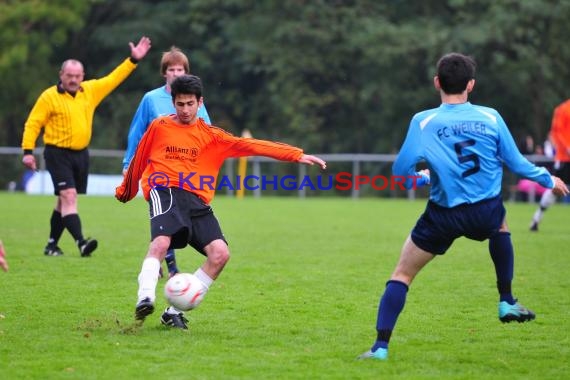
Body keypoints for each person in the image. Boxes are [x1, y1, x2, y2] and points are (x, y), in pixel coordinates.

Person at [358, 53, 569, 361]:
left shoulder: (424, 121)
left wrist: (420, 179)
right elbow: (516, 162)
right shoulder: (491, 117)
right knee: (500, 225)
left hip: (442, 215)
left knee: (402, 274)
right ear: (471, 84)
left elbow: (401, 175)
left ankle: (380, 347)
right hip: (485, 209)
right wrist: (547, 179)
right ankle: (506, 300)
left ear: (436, 83)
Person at [115, 74, 326, 329]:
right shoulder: (159, 127)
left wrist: (296, 155)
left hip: (196, 200)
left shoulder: (211, 136)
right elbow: (139, 158)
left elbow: (250, 146)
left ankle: (173, 312)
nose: (185, 110)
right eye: (180, 104)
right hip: (164, 189)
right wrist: (126, 191)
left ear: (200, 102)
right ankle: (145, 297)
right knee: (160, 243)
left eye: (190, 104)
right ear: (173, 103)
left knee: (220, 254)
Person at [21, 36, 152, 257]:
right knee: (69, 197)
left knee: (64, 200)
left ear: (82, 76)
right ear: (61, 75)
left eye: (77, 76)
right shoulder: (48, 97)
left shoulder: (89, 90)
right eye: (69, 75)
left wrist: (133, 60)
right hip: (57, 153)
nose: (73, 79)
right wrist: (27, 151)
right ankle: (82, 243)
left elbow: (113, 79)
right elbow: (33, 124)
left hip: (81, 154)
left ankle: (51, 245)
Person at [122, 46, 211, 278]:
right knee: (165, 214)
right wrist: (127, 163)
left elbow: (208, 133)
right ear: (164, 73)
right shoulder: (151, 99)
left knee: (171, 218)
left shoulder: (193, 101)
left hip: (186, 170)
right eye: (171, 69)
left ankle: (159, 258)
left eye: (180, 69)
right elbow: (136, 131)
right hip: (157, 169)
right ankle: (170, 266)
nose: (175, 73)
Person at [530, 99, 570, 231]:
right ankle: (537, 218)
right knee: (555, 189)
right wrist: (567, 147)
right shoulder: (562, 109)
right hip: (565, 158)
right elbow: (556, 132)